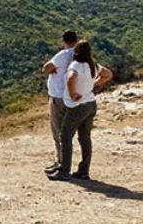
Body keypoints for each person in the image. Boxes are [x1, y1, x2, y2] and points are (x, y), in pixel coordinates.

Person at [48, 40, 112, 181]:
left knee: (65, 136)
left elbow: (71, 79)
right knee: (84, 138)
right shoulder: (93, 65)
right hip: (90, 103)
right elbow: (108, 74)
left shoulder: (75, 65)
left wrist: (73, 94)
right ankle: (84, 170)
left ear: (76, 52)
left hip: (77, 106)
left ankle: (64, 170)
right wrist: (94, 84)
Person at [41, 30, 78, 175]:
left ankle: (61, 163)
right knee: (68, 132)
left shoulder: (63, 54)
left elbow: (45, 69)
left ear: (64, 41)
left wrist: (52, 70)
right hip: (73, 97)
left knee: (58, 131)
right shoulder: (79, 55)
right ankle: (65, 162)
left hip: (58, 97)